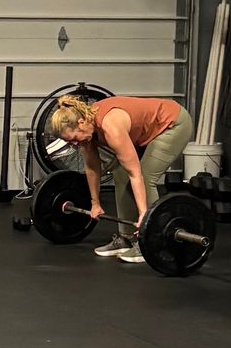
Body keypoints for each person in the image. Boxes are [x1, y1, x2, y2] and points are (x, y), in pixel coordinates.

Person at [45, 92, 195, 265]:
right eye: (70, 142)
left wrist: (144, 215)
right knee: (119, 172)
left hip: (172, 123)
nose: (75, 145)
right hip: (147, 131)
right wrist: (95, 203)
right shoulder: (85, 134)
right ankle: (126, 238)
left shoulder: (111, 127)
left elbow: (135, 174)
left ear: (81, 123)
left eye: (74, 139)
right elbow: (92, 168)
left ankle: (152, 240)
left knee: (146, 175)